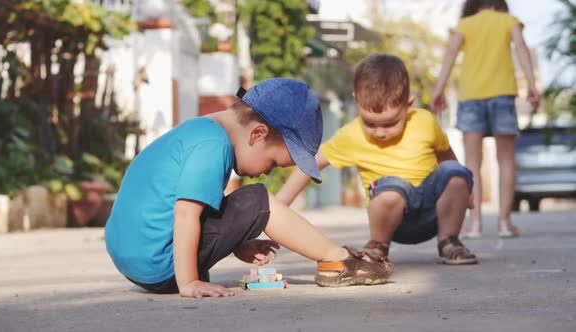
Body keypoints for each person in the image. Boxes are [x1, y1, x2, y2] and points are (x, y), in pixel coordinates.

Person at [105, 78, 392, 299]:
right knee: (257, 199)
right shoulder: (212, 146)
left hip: (137, 258)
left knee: (241, 200)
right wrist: (189, 282)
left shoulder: (201, 131)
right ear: (257, 134)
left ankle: (336, 258)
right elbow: (185, 215)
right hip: (158, 264)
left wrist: (238, 241)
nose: (268, 171)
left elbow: (199, 211)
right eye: (273, 162)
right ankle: (336, 259)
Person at [277, 54, 478, 267]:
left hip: (434, 215)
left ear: (408, 105)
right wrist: (276, 209)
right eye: (370, 123)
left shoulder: (425, 122)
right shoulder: (352, 135)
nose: (380, 132)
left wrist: (465, 190)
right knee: (392, 186)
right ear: (357, 102)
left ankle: (449, 241)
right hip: (391, 221)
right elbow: (311, 164)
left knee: (455, 171)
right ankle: (378, 246)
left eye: (390, 123)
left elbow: (448, 159)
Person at [431, 0, 540, 238]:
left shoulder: (466, 24)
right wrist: (531, 84)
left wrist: (439, 89)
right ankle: (504, 223)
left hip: (471, 96)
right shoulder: (508, 21)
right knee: (506, 161)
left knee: (472, 163)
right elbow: (521, 47)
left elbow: (450, 53)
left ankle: (476, 223)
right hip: (503, 95)